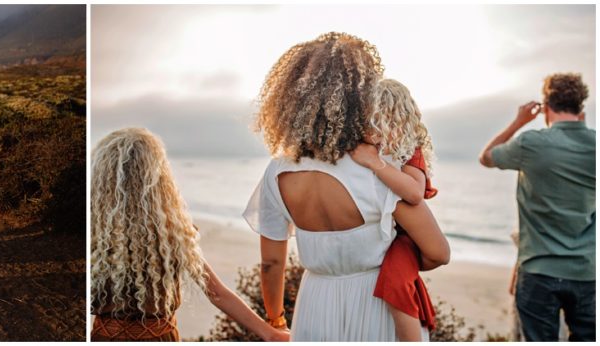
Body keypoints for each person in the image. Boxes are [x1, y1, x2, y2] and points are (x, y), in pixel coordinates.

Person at [243, 32, 450, 341]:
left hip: (315, 304)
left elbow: (272, 263)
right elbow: (437, 252)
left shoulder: (277, 171)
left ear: (293, 99)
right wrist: (399, 264)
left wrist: (275, 319)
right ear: (362, 96)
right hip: (377, 302)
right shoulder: (378, 167)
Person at [90, 128, 290, 342]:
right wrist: (270, 333)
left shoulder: (94, 233)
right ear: (158, 177)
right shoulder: (172, 234)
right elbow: (217, 294)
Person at [479, 72, 595, 342]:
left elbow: (486, 157)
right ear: (581, 107)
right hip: (588, 271)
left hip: (539, 270)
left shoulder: (531, 143)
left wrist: (518, 122)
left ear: (546, 107)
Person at [349, 79, 439, 340]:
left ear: (398, 120)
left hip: (405, 238)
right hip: (380, 232)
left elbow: (413, 193)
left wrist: (375, 164)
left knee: (396, 283)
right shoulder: (370, 148)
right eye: (366, 122)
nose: (370, 131)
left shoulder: (411, 151)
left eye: (378, 122)